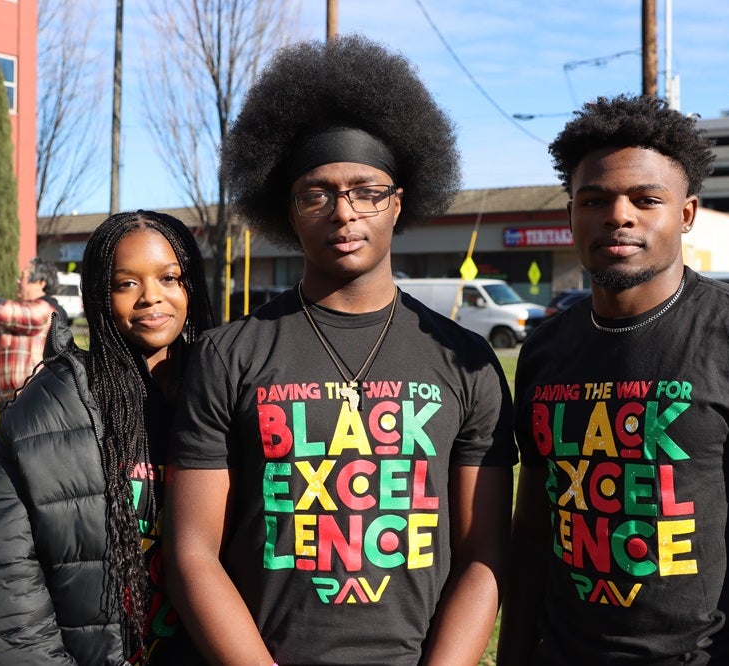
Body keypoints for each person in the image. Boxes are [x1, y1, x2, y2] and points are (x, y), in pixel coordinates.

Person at [165, 34, 517, 665]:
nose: (343, 212)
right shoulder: (229, 357)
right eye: (317, 192)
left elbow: (484, 557)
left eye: (366, 190)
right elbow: (192, 552)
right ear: (287, 209)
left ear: (398, 203)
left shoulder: (465, 363)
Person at [497, 94, 729, 664]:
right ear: (571, 215)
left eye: (645, 199)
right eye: (595, 199)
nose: (619, 215)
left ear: (686, 214)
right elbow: (533, 534)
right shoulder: (546, 349)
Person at [0, 211, 214, 665]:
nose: (151, 296)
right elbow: (1, 580)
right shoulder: (50, 408)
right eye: (126, 283)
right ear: (98, 295)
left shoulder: (223, 398)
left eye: (169, 277)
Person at [0, 254, 67, 411]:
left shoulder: (44, 310)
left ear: (40, 282)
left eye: (23, 277)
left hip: (31, 400)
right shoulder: (24, 310)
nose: (18, 281)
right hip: (11, 402)